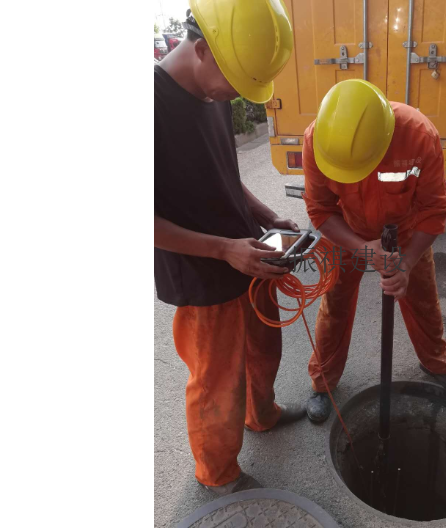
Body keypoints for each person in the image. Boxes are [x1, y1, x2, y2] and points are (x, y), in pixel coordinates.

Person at [153, 0, 304, 495]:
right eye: (236, 82)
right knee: (217, 379)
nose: (239, 95)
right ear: (200, 50)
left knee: (264, 348)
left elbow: (226, 175)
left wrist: (266, 217)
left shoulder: (214, 94)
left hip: (248, 253)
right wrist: (222, 250)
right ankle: (217, 474)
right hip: (202, 270)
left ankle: (262, 416)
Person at [302, 80, 446, 423]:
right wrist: (363, 249)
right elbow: (320, 210)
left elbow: (434, 210)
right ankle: (323, 384)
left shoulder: (418, 135)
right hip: (346, 235)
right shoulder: (317, 141)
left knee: (423, 300)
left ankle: (437, 365)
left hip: (406, 237)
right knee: (334, 306)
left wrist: (405, 266)